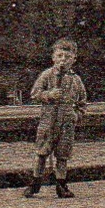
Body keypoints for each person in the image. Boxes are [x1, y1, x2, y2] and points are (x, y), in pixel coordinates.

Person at [25, 38, 87, 198]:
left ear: (74, 59)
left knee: (62, 155)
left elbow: (82, 103)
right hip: (48, 122)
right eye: (59, 56)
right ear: (53, 57)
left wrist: (76, 115)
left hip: (66, 124)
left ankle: (61, 185)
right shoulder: (46, 75)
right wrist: (48, 95)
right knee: (41, 152)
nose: (63, 60)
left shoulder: (76, 80)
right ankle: (35, 182)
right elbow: (34, 94)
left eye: (67, 57)